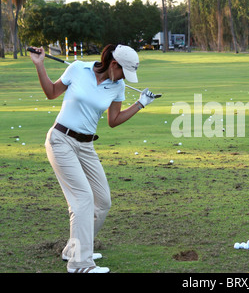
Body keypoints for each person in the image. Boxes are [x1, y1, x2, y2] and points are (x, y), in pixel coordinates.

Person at [30, 44, 156, 273]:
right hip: (61, 140)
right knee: (83, 199)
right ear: (114, 64)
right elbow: (51, 93)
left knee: (102, 201)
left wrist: (139, 104)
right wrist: (40, 65)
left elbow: (113, 120)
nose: (124, 78)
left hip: (86, 146)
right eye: (124, 72)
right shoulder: (78, 69)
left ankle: (74, 248)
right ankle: (80, 263)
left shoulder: (117, 86)